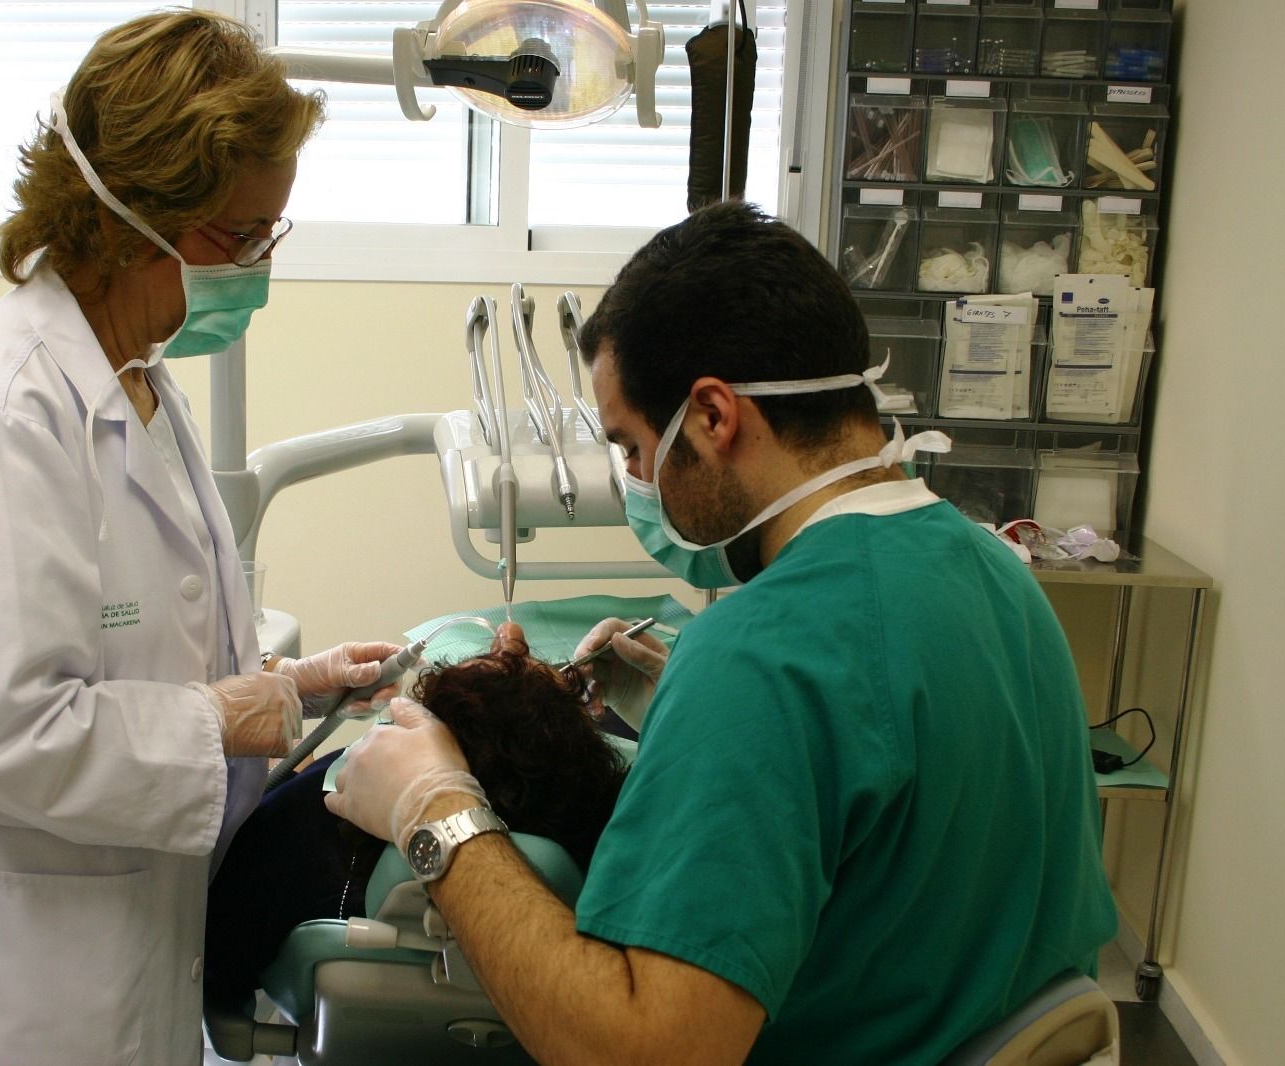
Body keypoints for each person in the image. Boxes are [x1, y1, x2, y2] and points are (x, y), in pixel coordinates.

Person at [327, 202, 1118, 1064]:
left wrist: (437, 812)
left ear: (711, 416)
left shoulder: (761, 658)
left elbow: (640, 1053)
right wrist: (700, 723)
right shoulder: (995, 571)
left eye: (632, 446)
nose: (635, 480)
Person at [0, 13, 399, 1066]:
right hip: (8, 994)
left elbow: (145, 655)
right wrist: (214, 718)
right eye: (238, 236)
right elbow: (2, 730)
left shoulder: (136, 382)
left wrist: (294, 683)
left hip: (121, 963)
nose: (256, 267)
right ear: (129, 215)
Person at [204, 642, 630, 1010]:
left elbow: (215, 950)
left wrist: (243, 726)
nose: (507, 640)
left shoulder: (314, 831)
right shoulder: (583, 793)